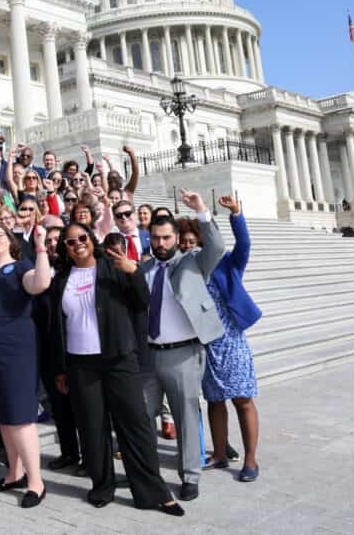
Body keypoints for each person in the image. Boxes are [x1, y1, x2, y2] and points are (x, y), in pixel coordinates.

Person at [48, 222, 183, 516]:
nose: (77, 244)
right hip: (81, 364)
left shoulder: (113, 267)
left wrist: (133, 272)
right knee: (92, 427)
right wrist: (60, 368)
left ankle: (153, 493)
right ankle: (102, 487)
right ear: (65, 249)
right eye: (70, 242)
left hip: (119, 358)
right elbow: (57, 327)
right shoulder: (61, 280)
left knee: (135, 425)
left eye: (82, 238)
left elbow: (143, 302)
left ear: (91, 239)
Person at [141, 189, 225, 502]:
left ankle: (190, 475)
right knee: (142, 417)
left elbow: (217, 247)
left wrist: (201, 209)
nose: (161, 243)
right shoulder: (144, 269)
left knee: (186, 417)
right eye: (155, 238)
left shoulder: (193, 263)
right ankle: (145, 474)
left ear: (176, 238)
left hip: (183, 354)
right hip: (149, 355)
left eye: (166, 238)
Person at [178, 196, 261, 482]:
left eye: (193, 241)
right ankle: (220, 453)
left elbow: (244, 245)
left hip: (231, 341)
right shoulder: (185, 271)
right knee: (214, 401)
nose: (188, 246)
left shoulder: (226, 264)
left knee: (242, 400)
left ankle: (250, 459)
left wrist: (236, 213)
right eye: (184, 243)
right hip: (205, 345)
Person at [0, 223, 51, 508]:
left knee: (20, 415)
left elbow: (40, 284)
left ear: (10, 240)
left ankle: (36, 482)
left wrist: (40, 247)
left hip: (16, 350)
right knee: (4, 415)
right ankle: (14, 473)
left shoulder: (21, 267)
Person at [32, 224, 80, 473]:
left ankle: (90, 456)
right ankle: (69, 452)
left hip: (75, 346)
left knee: (81, 406)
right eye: (48, 241)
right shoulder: (38, 270)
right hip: (49, 347)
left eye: (56, 240)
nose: (52, 244)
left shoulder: (74, 270)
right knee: (59, 406)